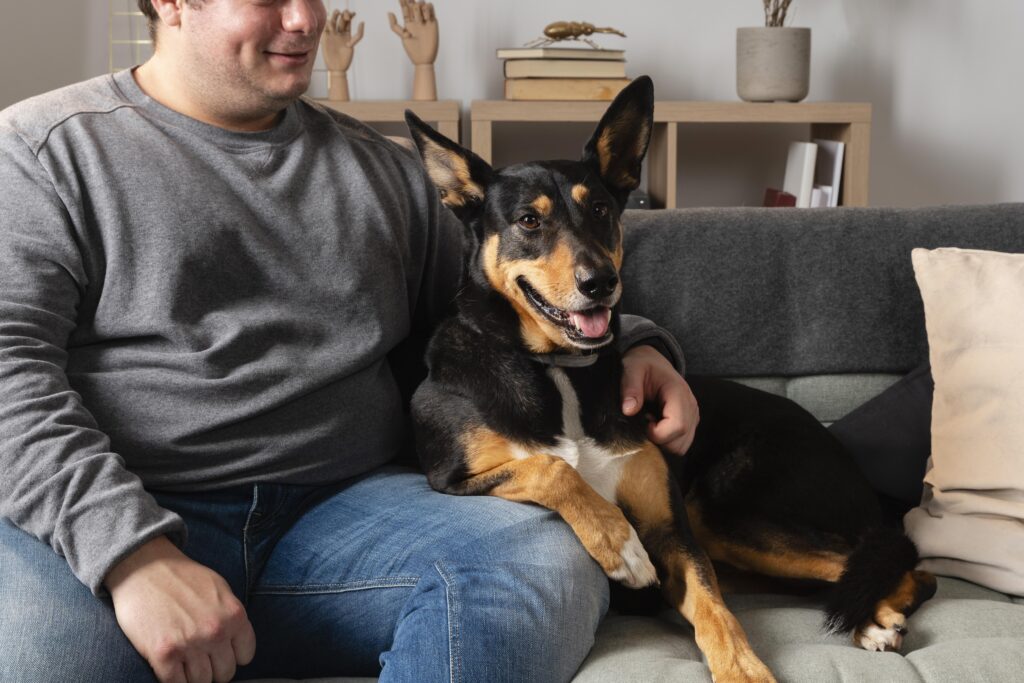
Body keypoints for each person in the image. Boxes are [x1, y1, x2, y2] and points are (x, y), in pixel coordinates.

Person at [0, 1, 698, 682]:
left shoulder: (383, 171)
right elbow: (9, 378)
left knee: (541, 572)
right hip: (125, 499)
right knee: (41, 660)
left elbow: (491, 302)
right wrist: (132, 557)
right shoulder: (43, 152)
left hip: (343, 513)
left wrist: (639, 346)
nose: (304, 19)